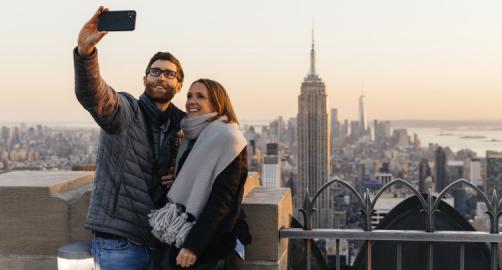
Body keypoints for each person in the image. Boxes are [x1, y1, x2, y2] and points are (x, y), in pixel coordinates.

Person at [74, 6, 186, 269]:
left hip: (161, 244)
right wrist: (85, 53)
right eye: (155, 71)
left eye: (170, 74)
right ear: (145, 78)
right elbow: (96, 96)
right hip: (119, 243)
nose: (161, 77)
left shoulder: (183, 125)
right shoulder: (126, 110)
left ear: (179, 85)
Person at [149, 79, 249, 269]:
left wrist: (192, 247)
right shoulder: (194, 137)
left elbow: (221, 202)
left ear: (217, 103)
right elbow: (198, 182)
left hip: (211, 246)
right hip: (184, 237)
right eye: (189, 96)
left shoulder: (228, 139)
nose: (191, 101)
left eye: (200, 96)